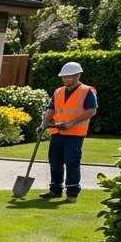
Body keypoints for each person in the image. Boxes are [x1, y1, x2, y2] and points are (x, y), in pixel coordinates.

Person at [38, 61, 96, 204]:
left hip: (75, 134)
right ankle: (55, 189)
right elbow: (50, 109)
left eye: (68, 77)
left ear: (77, 75)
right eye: (63, 77)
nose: (65, 79)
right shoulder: (58, 91)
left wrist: (70, 123)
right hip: (57, 132)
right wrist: (43, 125)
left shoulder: (87, 91)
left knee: (72, 162)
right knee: (55, 162)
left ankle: (72, 193)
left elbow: (91, 110)